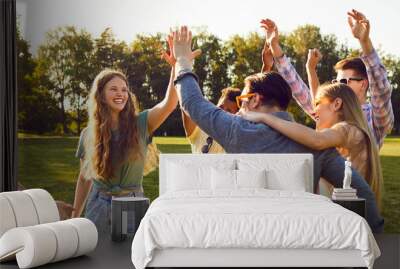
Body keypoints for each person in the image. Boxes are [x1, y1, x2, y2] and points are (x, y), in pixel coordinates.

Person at [169, 26, 383, 233]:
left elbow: (192, 102)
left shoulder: (239, 130)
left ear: (254, 100)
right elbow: (362, 193)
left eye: (243, 99)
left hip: (246, 233)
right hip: (304, 237)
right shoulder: (316, 144)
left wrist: (182, 61)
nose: (240, 106)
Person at [262, 10, 394, 149]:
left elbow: (380, 87)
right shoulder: (331, 110)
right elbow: (300, 91)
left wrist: (364, 41)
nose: (337, 87)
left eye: (344, 81)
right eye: (336, 82)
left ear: (363, 84)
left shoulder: (375, 117)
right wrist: (275, 47)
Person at [239, 83, 383, 209]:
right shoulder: (352, 132)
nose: (314, 111)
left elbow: (316, 140)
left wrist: (264, 117)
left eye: (318, 103)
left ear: (337, 104)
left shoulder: (349, 129)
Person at [71, 68, 178, 232]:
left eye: (124, 90)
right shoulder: (88, 134)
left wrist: (176, 65)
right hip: (97, 205)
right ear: (101, 95)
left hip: (131, 203)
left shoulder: (141, 123)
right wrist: (74, 217)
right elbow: (85, 177)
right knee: (97, 253)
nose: (120, 93)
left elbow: (169, 103)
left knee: (129, 255)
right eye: (113, 89)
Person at [182, 87, 241, 153]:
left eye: (228, 111)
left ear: (236, 115)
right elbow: (186, 101)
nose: (222, 112)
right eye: (221, 107)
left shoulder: (238, 140)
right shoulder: (199, 128)